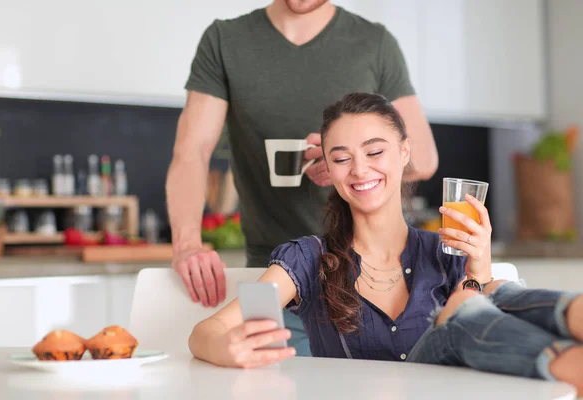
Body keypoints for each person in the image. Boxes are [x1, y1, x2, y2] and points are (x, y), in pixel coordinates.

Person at [187, 93, 583, 395]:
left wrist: (478, 266)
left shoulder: (443, 248)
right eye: (341, 159)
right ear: (329, 168)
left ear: (403, 152)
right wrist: (227, 349)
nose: (360, 169)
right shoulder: (310, 258)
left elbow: (477, 349)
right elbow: (204, 333)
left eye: (375, 151)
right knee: (463, 310)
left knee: (490, 295)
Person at [166, 0, 438, 357]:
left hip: (367, 279)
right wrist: (187, 244)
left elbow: (423, 158)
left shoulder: (374, 43)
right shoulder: (225, 40)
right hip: (273, 280)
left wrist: (348, 160)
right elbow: (191, 152)